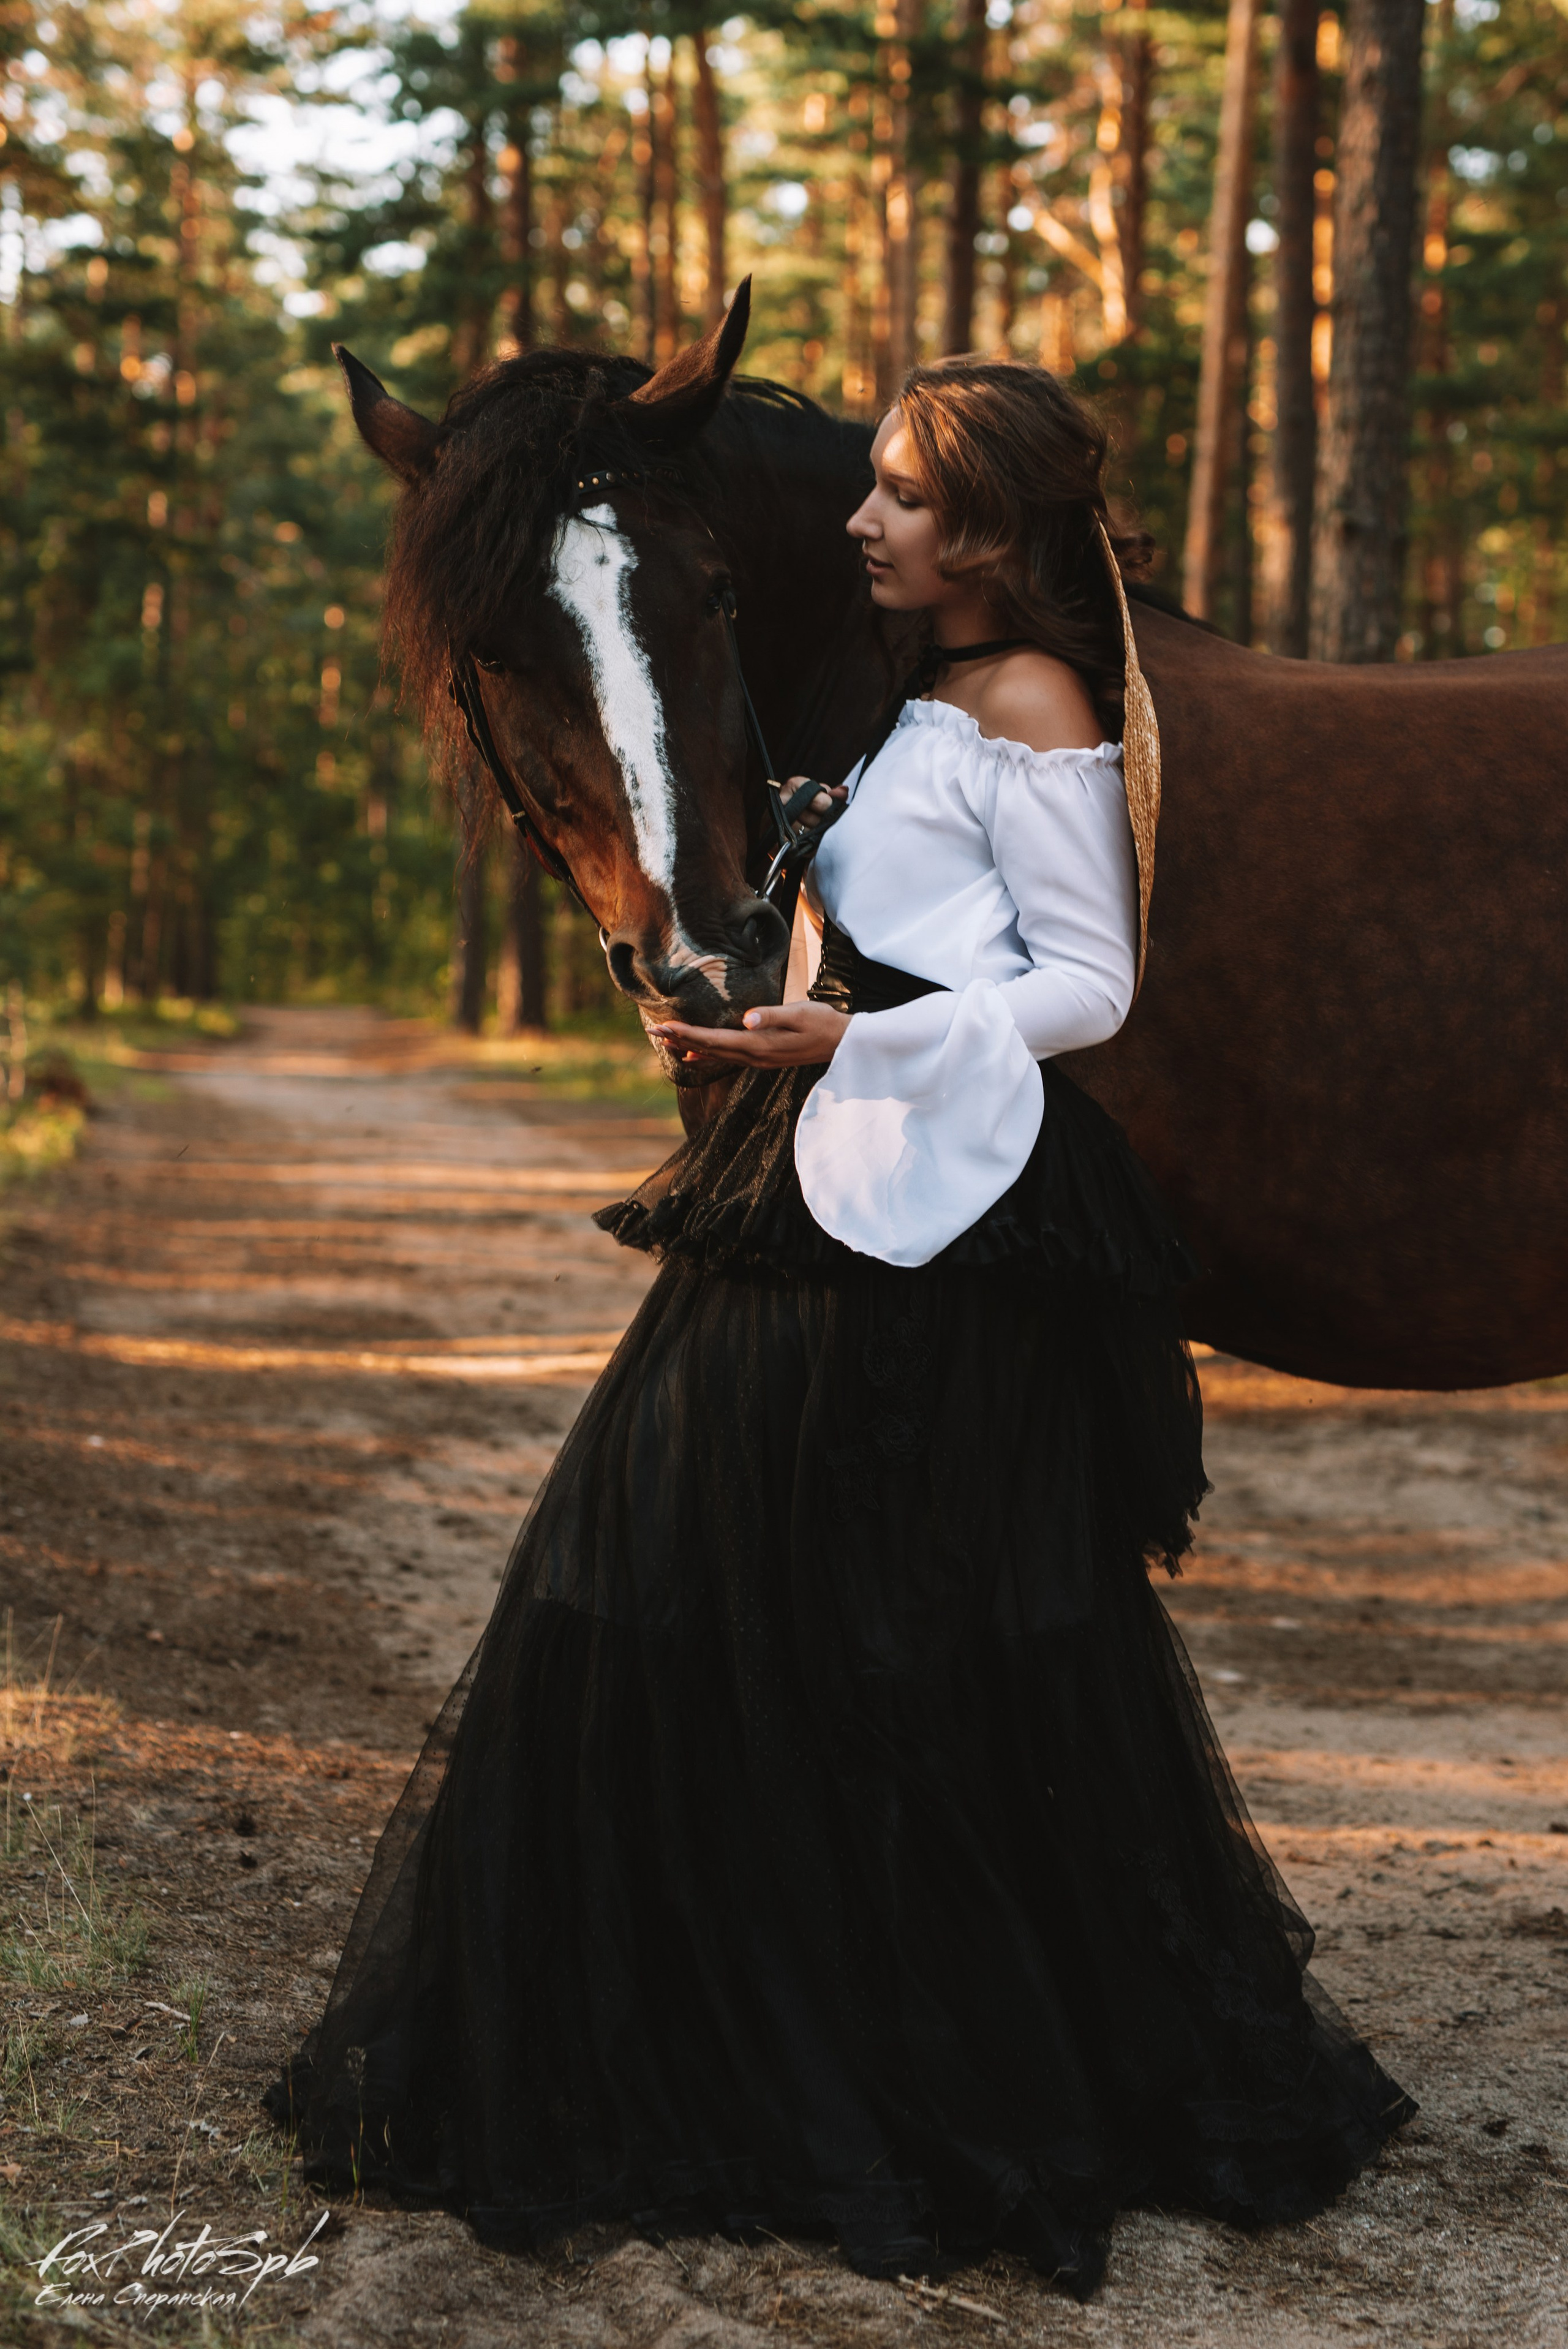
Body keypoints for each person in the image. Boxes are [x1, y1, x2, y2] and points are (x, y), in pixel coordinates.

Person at [265, 359, 1413, 2299]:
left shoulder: (1035, 703)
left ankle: (883, 2049)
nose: (860, 519)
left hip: (939, 1202)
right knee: (684, 1570)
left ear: (988, 537)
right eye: (870, 492)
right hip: (834, 1158)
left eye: (899, 498)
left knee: (842, 1609)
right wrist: (761, 982)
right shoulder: (912, 703)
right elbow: (888, 917)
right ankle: (732, 2010)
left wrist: (850, 1033)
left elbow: (1089, 987)